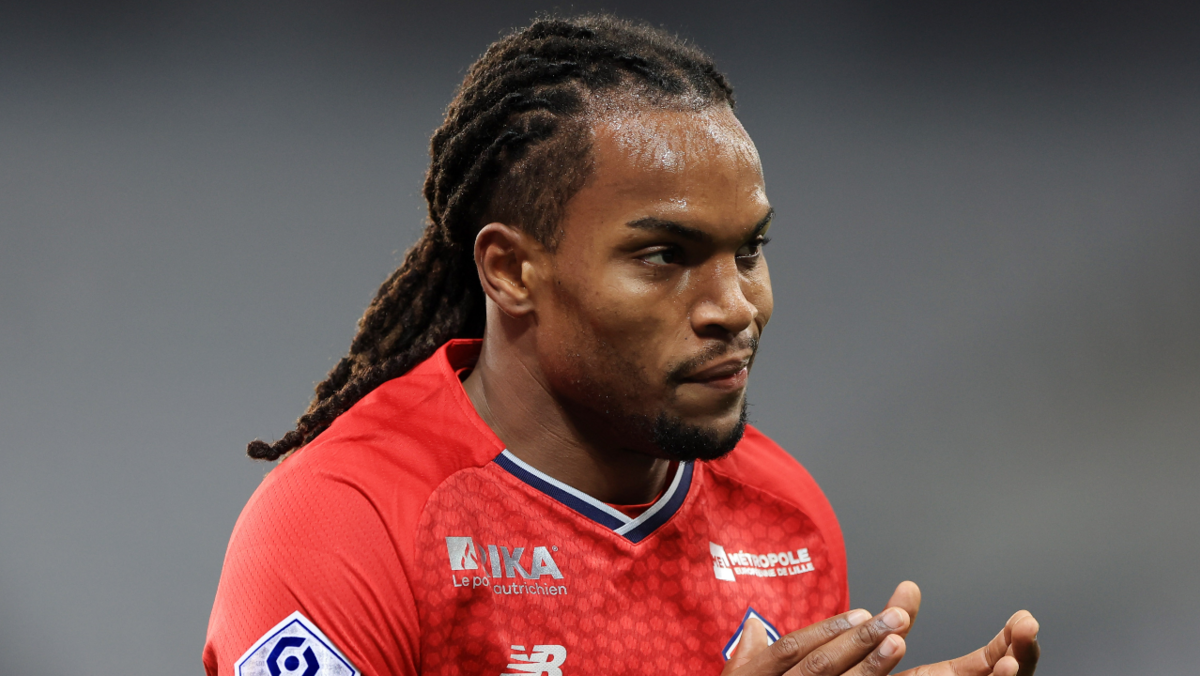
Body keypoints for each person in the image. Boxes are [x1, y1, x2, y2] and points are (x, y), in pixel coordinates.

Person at [204, 14, 1039, 676]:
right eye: (664, 256)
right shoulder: (345, 524)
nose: (735, 307)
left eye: (750, 250)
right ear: (511, 271)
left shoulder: (786, 521)